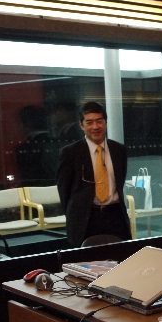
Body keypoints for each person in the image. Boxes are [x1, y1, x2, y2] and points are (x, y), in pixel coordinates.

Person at [56, 102, 131, 247]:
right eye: (89, 122)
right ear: (81, 125)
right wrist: (75, 215)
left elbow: (119, 183)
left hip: (116, 216)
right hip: (86, 219)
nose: (95, 127)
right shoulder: (70, 153)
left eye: (99, 121)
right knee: (86, 258)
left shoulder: (119, 150)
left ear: (105, 122)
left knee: (121, 255)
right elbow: (64, 192)